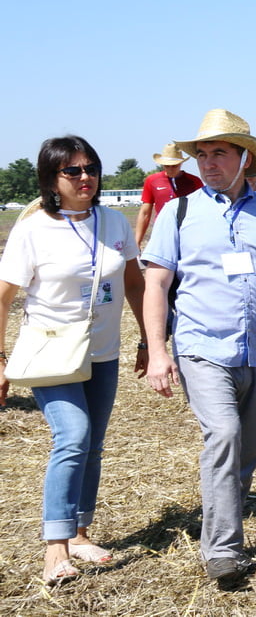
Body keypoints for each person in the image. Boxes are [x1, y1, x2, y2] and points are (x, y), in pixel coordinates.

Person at [141, 109, 256, 588]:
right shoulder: (180, 211)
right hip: (199, 347)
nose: (207, 162)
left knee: (247, 452)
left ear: (245, 159)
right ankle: (223, 553)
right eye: (202, 154)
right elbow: (156, 284)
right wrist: (158, 349)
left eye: (219, 153)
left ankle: (221, 519)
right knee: (225, 435)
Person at [0, 136, 147, 585]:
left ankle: (82, 533)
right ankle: (55, 547)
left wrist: (148, 340)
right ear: (51, 179)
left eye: (91, 169)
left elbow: (135, 283)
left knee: (94, 444)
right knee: (74, 435)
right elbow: (3, 297)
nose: (86, 178)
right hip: (50, 353)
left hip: (102, 352)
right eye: (73, 171)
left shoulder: (113, 223)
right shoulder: (31, 228)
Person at [134, 143, 204, 249]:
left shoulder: (194, 181)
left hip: (188, 231)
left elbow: (202, 209)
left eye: (174, 166)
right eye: (167, 166)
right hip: (161, 230)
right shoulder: (152, 181)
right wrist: (137, 242)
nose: (170, 169)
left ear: (181, 163)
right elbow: (145, 213)